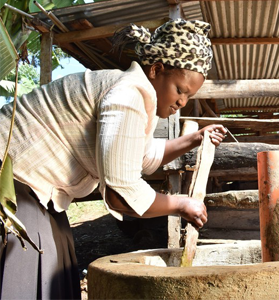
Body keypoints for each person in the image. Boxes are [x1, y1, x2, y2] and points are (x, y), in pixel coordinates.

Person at [0, 19, 227, 299]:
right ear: (156, 70)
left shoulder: (136, 97)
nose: (182, 102)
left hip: (32, 187)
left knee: (57, 269)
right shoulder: (127, 94)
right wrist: (180, 204)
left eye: (189, 96)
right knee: (31, 269)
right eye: (180, 90)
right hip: (13, 181)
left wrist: (194, 139)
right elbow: (122, 194)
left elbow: (142, 157)